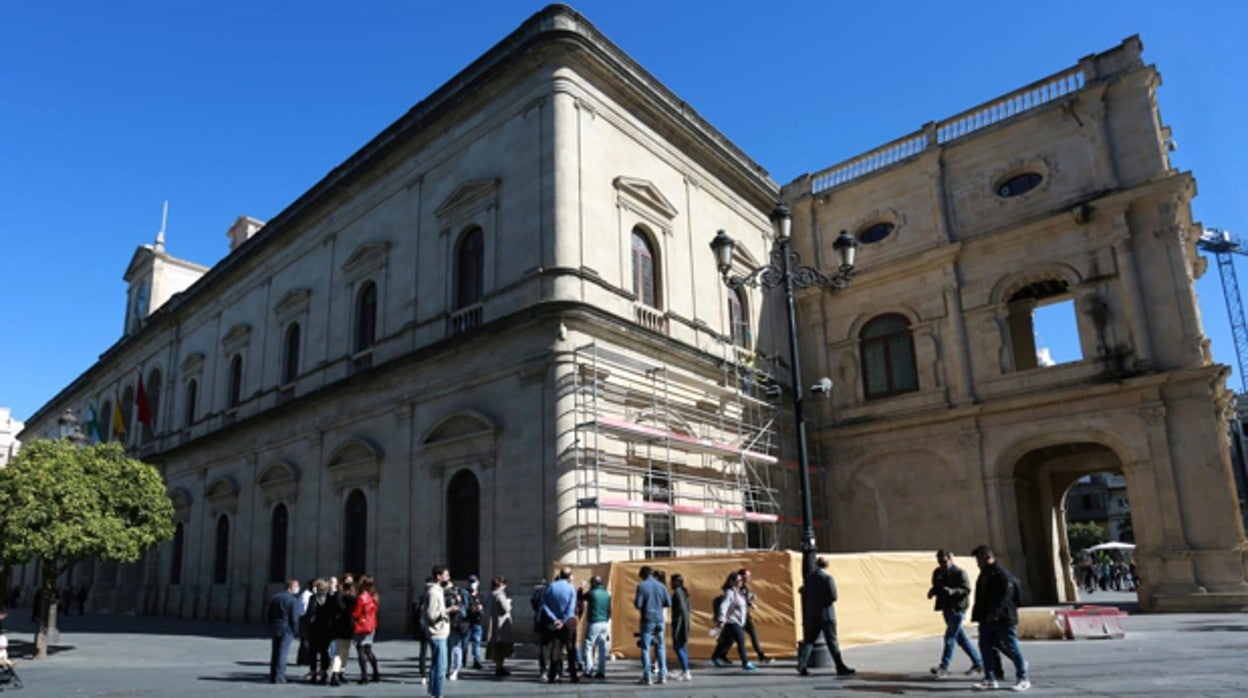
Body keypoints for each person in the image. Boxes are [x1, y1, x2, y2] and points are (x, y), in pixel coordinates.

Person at [970, 545, 1029, 692]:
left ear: (987, 557)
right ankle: (990, 678)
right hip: (986, 619)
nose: (977, 563)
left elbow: (1005, 597)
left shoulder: (1001, 574)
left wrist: (995, 613)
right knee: (985, 647)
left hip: (1003, 619)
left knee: (1011, 646)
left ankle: (1023, 678)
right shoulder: (985, 574)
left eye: (979, 559)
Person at [796, 556, 855, 677]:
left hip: (812, 614)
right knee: (832, 641)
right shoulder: (828, 578)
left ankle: (801, 665)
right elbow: (833, 596)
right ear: (827, 565)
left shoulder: (810, 578)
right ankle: (840, 666)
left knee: (809, 641)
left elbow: (804, 592)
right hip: (827, 615)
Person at [928, 549, 983, 677]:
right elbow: (936, 587)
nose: (942, 564)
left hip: (958, 609)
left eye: (944, 561)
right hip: (946, 608)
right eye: (940, 561)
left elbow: (966, 589)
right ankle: (978, 663)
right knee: (961, 638)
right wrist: (932, 592)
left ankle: (944, 666)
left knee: (950, 637)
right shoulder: (938, 572)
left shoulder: (959, 573)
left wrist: (953, 591)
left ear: (950, 559)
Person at [540, 567, 580, 683]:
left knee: (556, 647)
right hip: (568, 621)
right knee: (570, 647)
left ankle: (552, 675)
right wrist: (563, 619)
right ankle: (573, 674)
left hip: (555, 621)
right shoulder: (571, 588)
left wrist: (554, 619)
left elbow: (545, 605)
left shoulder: (551, 587)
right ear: (569, 576)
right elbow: (571, 607)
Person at [713, 571, 757, 672]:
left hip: (738, 621)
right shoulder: (729, 592)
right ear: (732, 582)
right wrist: (721, 619)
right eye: (739, 580)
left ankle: (715, 657)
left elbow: (742, 601)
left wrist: (750, 598)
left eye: (741, 580)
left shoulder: (737, 591)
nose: (741, 581)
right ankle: (745, 662)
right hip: (732, 621)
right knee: (741, 641)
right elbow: (724, 606)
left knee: (727, 641)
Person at [634, 565, 671, 684]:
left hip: (647, 619)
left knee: (645, 648)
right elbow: (668, 603)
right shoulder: (662, 586)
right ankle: (662, 676)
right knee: (660, 647)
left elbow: (638, 604)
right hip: (660, 619)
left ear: (643, 575)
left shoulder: (641, 586)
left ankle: (647, 676)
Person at [267, 578, 301, 684]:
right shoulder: (292, 599)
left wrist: (270, 625)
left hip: (276, 627)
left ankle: (273, 675)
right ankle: (280, 676)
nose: (298, 588)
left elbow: (269, 613)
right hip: (286, 628)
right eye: (297, 586)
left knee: (275, 652)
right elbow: (294, 618)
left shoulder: (275, 597)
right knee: (283, 652)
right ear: (292, 587)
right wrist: (295, 629)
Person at [425, 565, 452, 698]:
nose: (448, 577)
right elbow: (431, 615)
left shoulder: (437, 591)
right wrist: (448, 610)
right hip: (437, 633)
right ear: (438, 576)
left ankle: (433, 691)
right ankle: (438, 694)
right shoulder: (434, 592)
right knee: (441, 667)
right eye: (446, 575)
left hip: (438, 632)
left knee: (436, 665)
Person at [304, 579, 337, 685]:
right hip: (326, 629)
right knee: (324, 652)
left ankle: (314, 674)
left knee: (313, 652)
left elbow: (309, 613)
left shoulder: (313, 598)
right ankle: (324, 673)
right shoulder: (331, 599)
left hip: (315, 629)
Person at [329, 575, 357, 684]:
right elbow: (342, 607)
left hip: (348, 627)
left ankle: (341, 672)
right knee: (340, 651)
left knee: (345, 651)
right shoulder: (339, 596)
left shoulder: (348, 596)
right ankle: (335, 674)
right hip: (340, 626)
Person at [353, 574, 380, 684]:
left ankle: (364, 676)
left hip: (361, 626)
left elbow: (357, 613)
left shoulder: (361, 597)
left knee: (360, 650)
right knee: (369, 650)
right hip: (371, 625)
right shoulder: (374, 596)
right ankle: (376, 673)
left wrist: (352, 615)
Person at [582, 576, 611, 679]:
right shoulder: (607, 594)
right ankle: (601, 671)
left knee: (589, 645)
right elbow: (609, 610)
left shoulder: (592, 593)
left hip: (594, 622)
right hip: (604, 623)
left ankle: (589, 670)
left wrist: (582, 587)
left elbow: (582, 597)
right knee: (602, 648)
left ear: (593, 583)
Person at [486, 576, 515, 677]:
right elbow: (505, 608)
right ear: (501, 584)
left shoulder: (491, 594)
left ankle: (499, 666)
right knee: (501, 646)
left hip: (494, 622)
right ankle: (499, 667)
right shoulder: (500, 595)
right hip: (501, 623)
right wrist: (509, 603)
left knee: (497, 646)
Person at [669, 573, 692, 681]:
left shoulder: (678, 593)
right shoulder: (683, 592)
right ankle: (685, 669)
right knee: (682, 646)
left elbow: (682, 611)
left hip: (680, 623)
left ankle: (686, 671)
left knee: (678, 646)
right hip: (683, 623)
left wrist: (679, 626)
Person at [445, 578, 466, 680]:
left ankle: (455, 670)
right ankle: (447, 669)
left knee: (456, 647)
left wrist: (458, 603)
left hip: (455, 624)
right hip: (445, 624)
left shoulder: (458, 593)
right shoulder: (442, 593)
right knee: (447, 649)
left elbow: (462, 609)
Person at [414, 577, 434, 684]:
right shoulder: (434, 597)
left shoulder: (420, 598)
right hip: (432, 628)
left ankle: (423, 674)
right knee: (434, 651)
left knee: (423, 651)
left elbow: (415, 613)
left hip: (423, 628)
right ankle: (432, 673)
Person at [464, 575, 486, 671]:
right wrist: (470, 608)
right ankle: (463, 660)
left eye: (474, 581)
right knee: (465, 642)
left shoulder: (480, 594)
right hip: (467, 621)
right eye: (471, 582)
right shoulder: (465, 594)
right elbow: (464, 607)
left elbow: (483, 606)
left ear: (478, 582)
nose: (473, 584)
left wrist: (480, 609)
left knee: (476, 642)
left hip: (477, 621)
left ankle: (476, 660)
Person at [530, 578, 549, 677]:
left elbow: (533, 601)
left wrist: (537, 610)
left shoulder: (538, 591)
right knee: (555, 644)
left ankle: (543, 669)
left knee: (543, 645)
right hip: (552, 619)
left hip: (541, 619)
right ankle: (557, 669)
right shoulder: (551, 590)